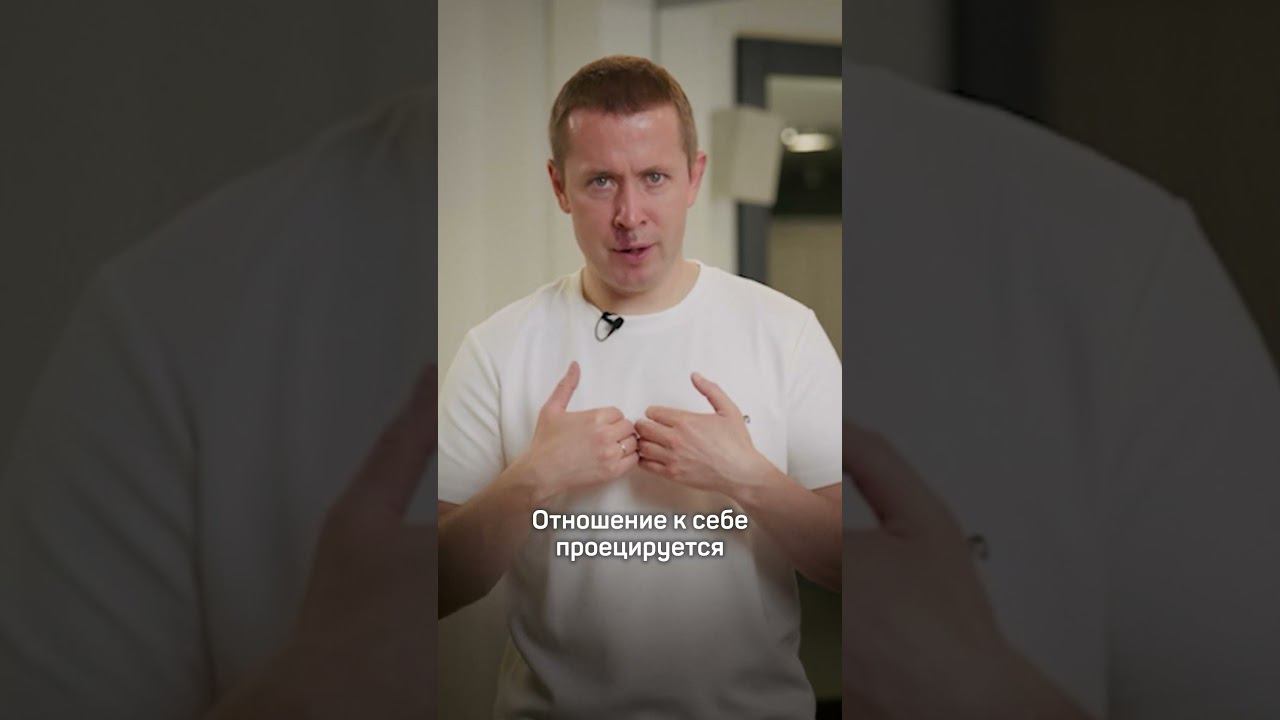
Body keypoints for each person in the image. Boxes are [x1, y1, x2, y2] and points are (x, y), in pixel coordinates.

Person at [435, 56, 842, 718]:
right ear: (559, 186)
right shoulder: (498, 347)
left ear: (694, 177)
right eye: (601, 182)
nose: (630, 215)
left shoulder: (785, 332)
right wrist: (534, 478)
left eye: (654, 177)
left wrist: (748, 477)